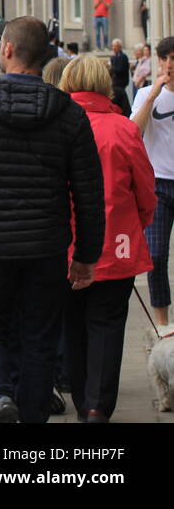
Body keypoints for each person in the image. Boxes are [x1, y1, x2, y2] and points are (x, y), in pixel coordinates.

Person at [0, 16, 106, 423]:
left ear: (7, 49)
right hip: (47, 247)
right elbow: (88, 191)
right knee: (40, 338)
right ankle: (30, 417)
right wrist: (86, 254)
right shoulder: (67, 113)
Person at [59, 54, 156, 421]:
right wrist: (137, 222)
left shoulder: (55, 126)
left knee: (72, 323)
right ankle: (99, 405)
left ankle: (84, 400)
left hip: (64, 244)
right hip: (117, 240)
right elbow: (146, 191)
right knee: (108, 324)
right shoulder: (123, 128)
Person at [132, 35, 174, 328]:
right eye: (164, 59)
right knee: (156, 256)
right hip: (157, 185)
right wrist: (152, 94)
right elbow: (133, 131)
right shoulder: (147, 94)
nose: (169, 65)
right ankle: (163, 325)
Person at [109, 39, 132, 117]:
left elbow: (120, 69)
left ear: (120, 47)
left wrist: (111, 69)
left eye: (115, 46)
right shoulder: (114, 56)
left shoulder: (123, 56)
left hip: (121, 81)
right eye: (113, 46)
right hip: (115, 81)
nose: (114, 48)